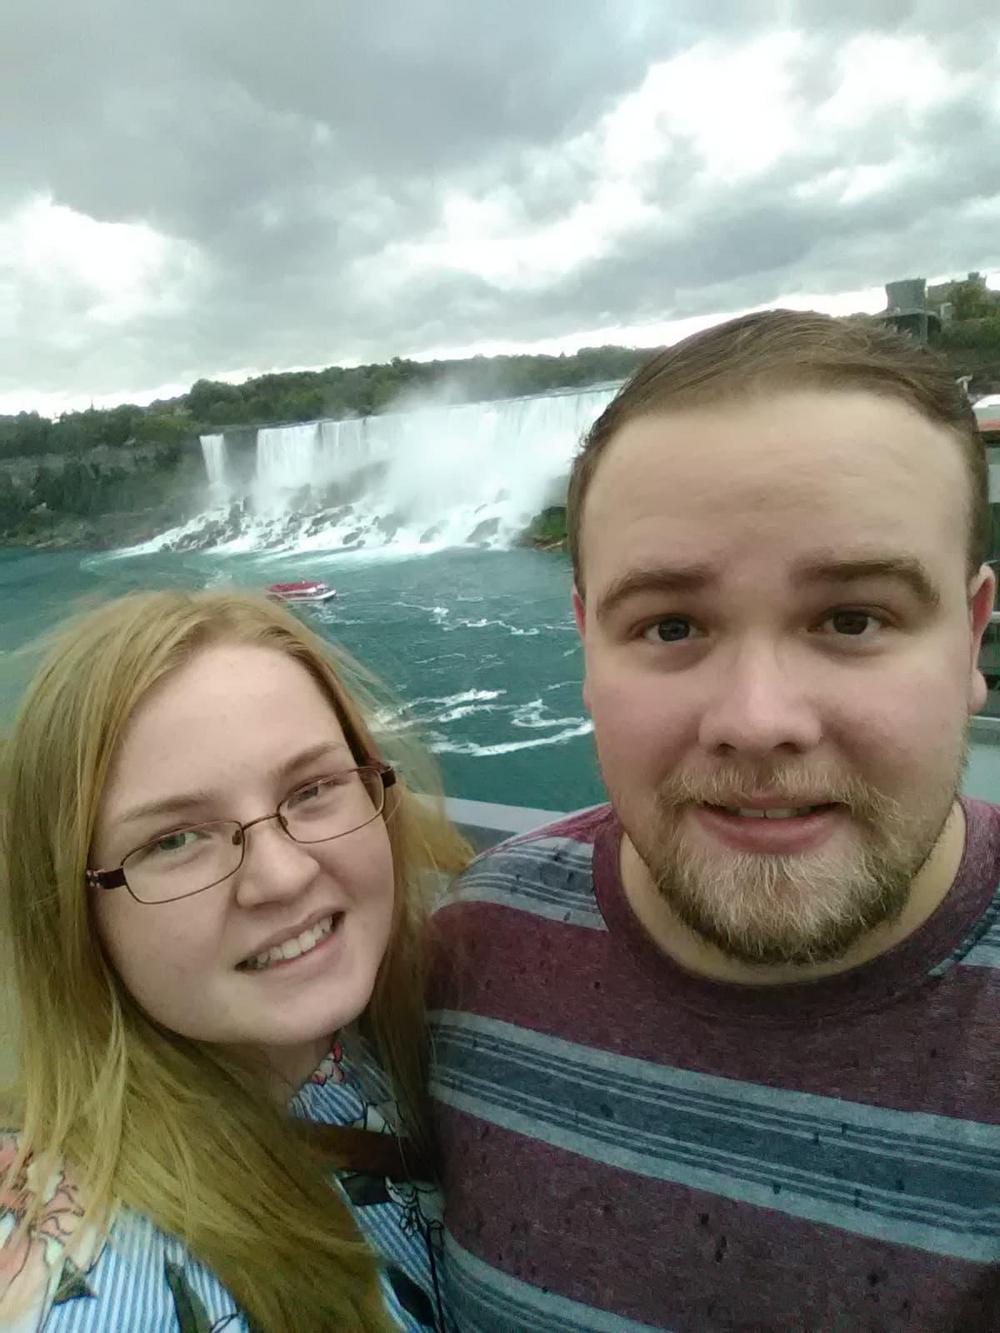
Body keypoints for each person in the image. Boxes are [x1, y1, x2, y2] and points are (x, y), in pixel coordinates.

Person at [429, 311, 1000, 1331]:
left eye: (852, 617)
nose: (756, 719)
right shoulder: (473, 948)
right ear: (586, 644)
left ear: (971, 637)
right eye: (671, 625)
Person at [0, 589, 470, 1332]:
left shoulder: (447, 1012)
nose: (282, 876)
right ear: (72, 913)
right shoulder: (89, 1287)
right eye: (174, 840)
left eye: (313, 788)